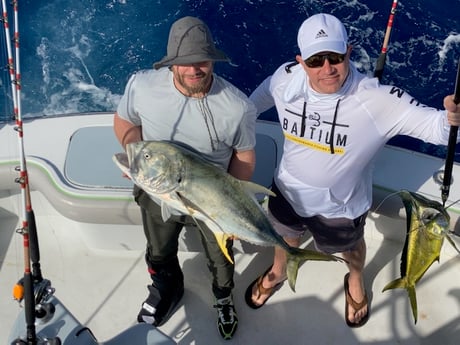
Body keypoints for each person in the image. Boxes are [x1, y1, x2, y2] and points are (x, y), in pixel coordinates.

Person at [244, 13, 460, 328]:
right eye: (316, 60)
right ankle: (278, 271)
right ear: (301, 61)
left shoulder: (377, 99)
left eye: (335, 56)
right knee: (284, 237)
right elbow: (252, 106)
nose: (327, 68)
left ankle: (355, 280)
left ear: (349, 52)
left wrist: (452, 116)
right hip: (286, 190)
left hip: (340, 207)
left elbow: (439, 130)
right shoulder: (283, 78)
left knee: (350, 251)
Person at [113, 16, 257, 340]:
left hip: (211, 203)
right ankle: (166, 289)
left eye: (202, 61)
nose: (195, 70)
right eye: (185, 62)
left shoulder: (238, 108)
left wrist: (230, 211)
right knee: (158, 250)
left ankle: (223, 297)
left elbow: (245, 159)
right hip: (156, 191)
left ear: (212, 60)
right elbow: (124, 122)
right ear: (171, 64)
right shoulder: (142, 86)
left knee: (221, 260)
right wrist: (139, 160)